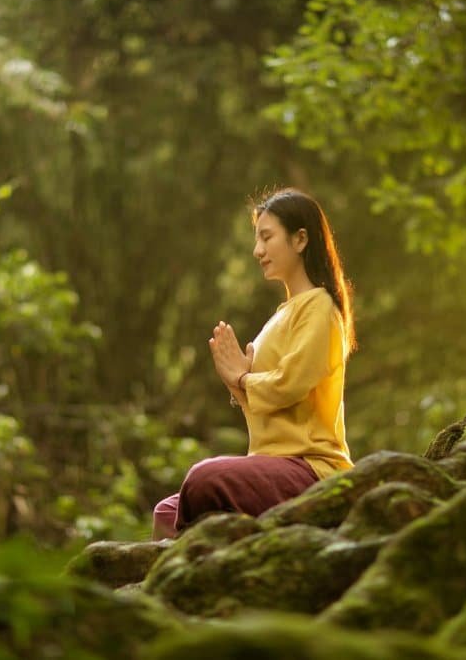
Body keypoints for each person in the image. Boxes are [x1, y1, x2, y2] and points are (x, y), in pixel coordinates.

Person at [152, 187, 357, 540]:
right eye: (257, 239)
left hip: (310, 467)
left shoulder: (320, 307)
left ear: (300, 239)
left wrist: (243, 379)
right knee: (167, 512)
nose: (257, 250)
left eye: (266, 237)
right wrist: (235, 382)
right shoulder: (282, 315)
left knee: (202, 479)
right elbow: (266, 405)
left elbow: (291, 384)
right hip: (270, 463)